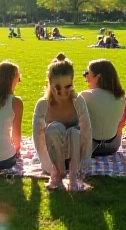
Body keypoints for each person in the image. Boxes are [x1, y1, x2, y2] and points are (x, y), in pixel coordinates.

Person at [32, 53, 92, 191]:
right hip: (53, 157)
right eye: (57, 87)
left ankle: (73, 177)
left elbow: (87, 134)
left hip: (75, 154)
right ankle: (58, 173)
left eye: (68, 86)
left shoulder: (78, 101)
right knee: (54, 128)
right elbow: (38, 138)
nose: (63, 92)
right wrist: (48, 165)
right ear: (49, 84)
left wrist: (83, 166)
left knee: (73, 132)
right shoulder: (43, 104)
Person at [79, 59, 126, 157]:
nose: (85, 76)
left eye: (87, 73)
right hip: (113, 146)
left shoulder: (86, 95)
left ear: (98, 77)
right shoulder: (120, 98)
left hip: (90, 147)